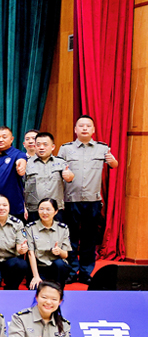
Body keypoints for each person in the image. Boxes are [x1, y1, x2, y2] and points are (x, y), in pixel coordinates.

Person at [58, 114, 118, 284]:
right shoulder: (66, 149)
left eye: (88, 126)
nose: (84, 128)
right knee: (70, 238)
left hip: (93, 201)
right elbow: (58, 171)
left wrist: (113, 161)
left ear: (93, 130)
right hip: (71, 200)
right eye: (81, 126)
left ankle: (85, 272)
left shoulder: (102, 148)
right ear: (75, 129)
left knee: (89, 238)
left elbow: (114, 165)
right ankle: (72, 271)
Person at [0, 127, 28, 220]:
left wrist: (21, 167)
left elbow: (21, 161)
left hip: (14, 208)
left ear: (12, 139)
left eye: (4, 137)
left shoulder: (18, 154)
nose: (0, 140)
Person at [25, 132, 72, 219]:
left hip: (55, 210)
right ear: (35, 146)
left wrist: (69, 176)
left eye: (45, 144)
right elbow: (20, 187)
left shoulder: (60, 162)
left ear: (52, 147)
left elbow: (70, 177)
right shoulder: (27, 163)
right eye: (38, 145)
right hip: (33, 210)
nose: (41, 147)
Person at [26, 199, 72, 288]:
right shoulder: (30, 228)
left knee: (60, 264)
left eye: (48, 209)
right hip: (39, 267)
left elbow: (65, 255)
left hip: (56, 268)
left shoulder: (63, 229)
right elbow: (30, 253)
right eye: (41, 209)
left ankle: (59, 287)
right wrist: (36, 276)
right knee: (36, 290)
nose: (44, 212)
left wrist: (59, 251)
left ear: (55, 211)